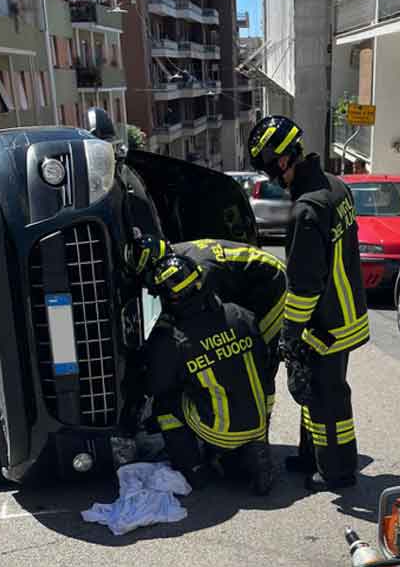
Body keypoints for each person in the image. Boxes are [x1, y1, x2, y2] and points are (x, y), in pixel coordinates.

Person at [248, 115, 368, 492]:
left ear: (282, 160)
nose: (269, 176)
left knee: (328, 399)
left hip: (326, 323)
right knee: (312, 387)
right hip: (346, 312)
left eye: (268, 166)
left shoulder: (307, 211)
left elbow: (303, 286)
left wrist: (290, 334)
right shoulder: (335, 187)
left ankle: (337, 471)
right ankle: (311, 454)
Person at [142, 254, 274, 495]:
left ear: (169, 298)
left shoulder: (173, 339)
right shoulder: (239, 313)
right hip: (259, 419)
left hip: (218, 429)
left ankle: (193, 470)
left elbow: (157, 386)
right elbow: (264, 360)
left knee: (166, 407)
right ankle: (251, 446)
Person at [125, 236, 286, 419]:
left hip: (274, 287)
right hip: (249, 286)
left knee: (261, 358)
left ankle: (260, 425)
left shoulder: (200, 270)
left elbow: (201, 320)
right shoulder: (179, 259)